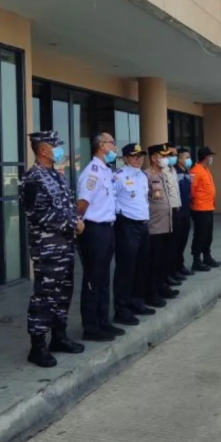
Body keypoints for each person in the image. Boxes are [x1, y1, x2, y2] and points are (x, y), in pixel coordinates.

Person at [20, 131, 86, 368]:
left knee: (63, 292)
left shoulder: (56, 175)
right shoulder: (33, 178)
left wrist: (75, 220)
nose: (61, 150)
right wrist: (73, 223)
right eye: (57, 146)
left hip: (65, 245)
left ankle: (59, 336)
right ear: (44, 150)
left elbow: (67, 206)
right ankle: (37, 346)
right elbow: (38, 213)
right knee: (45, 296)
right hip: (47, 247)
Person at [76, 132, 123, 342]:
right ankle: (91, 327)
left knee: (104, 278)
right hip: (94, 230)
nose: (115, 148)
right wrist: (77, 227)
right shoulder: (92, 173)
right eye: (113, 143)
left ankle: (103, 321)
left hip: (107, 228)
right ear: (102, 145)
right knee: (93, 280)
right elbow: (82, 204)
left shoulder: (105, 170)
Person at [113, 144, 156, 326]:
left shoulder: (143, 176)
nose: (139, 159)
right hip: (127, 225)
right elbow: (112, 201)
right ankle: (121, 309)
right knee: (126, 268)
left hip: (143, 224)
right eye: (134, 156)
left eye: (141, 155)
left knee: (141, 265)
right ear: (125, 159)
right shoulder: (118, 177)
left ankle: (137, 301)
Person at [145, 143, 177, 307]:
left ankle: (161, 287)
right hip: (154, 227)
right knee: (153, 262)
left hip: (167, 224)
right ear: (154, 158)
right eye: (162, 156)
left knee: (164, 259)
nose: (165, 159)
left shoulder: (164, 175)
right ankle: (152, 293)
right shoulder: (147, 176)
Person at [190, 146, 221, 271]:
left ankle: (207, 256)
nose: (211, 158)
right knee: (200, 235)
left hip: (208, 207)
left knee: (208, 235)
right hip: (200, 208)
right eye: (210, 156)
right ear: (206, 157)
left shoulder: (205, 169)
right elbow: (191, 190)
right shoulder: (196, 171)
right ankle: (196, 260)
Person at [162, 146, 185, 287]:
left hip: (177, 210)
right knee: (167, 247)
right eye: (171, 154)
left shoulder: (173, 170)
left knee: (176, 244)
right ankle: (167, 274)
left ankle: (174, 270)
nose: (174, 157)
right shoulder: (162, 172)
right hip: (167, 212)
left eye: (175, 155)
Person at [172, 148, 194, 277]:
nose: (188, 160)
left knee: (184, 240)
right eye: (186, 157)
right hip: (179, 212)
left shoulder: (187, 172)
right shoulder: (176, 172)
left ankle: (180, 265)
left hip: (186, 210)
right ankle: (175, 268)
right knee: (177, 242)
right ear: (179, 159)